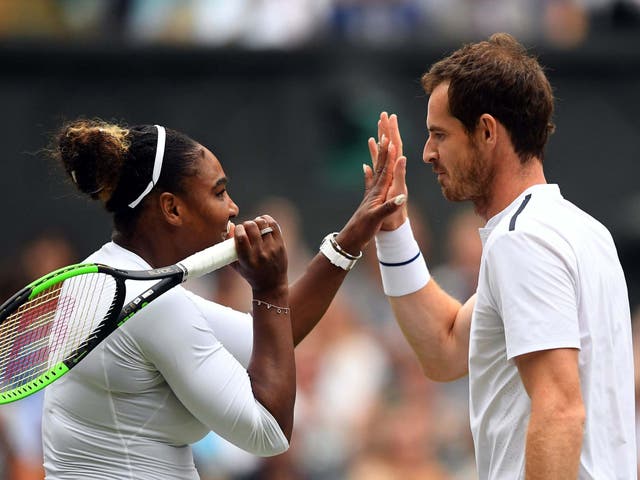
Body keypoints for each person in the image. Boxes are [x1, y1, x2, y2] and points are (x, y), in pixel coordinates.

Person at [42, 118, 406, 479]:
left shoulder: (100, 278)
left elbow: (273, 337)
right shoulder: (152, 305)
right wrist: (269, 289)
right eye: (219, 192)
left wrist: (352, 237)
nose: (233, 208)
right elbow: (270, 433)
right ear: (172, 209)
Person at [368, 33, 636, 479]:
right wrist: (394, 228)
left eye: (440, 134)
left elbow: (560, 409)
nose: (427, 153)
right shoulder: (582, 232)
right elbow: (445, 349)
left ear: (487, 131)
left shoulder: (522, 240)